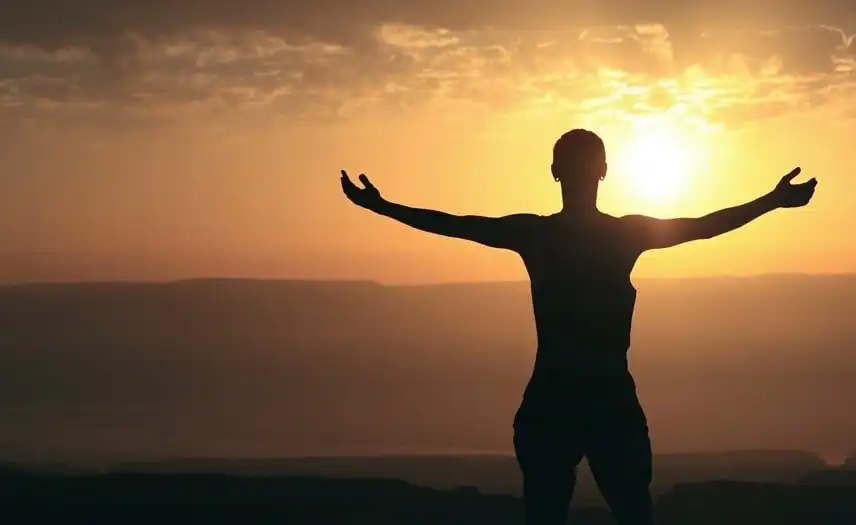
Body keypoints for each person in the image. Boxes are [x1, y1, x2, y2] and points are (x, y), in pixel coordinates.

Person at [340, 129, 818, 525]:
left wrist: (383, 208)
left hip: (553, 402)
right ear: (604, 172)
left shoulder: (536, 234)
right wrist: (771, 201)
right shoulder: (622, 235)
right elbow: (704, 225)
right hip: (608, 402)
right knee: (632, 514)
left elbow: (455, 224)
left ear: (554, 172)